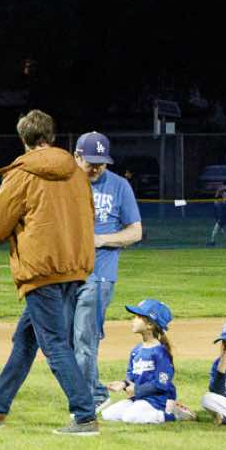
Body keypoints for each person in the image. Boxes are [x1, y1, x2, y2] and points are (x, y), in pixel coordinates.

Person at [0, 110, 99, 434]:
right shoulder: (76, 172)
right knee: (26, 338)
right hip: (73, 267)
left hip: (41, 270)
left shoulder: (22, 173)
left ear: (23, 139)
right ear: (51, 136)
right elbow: (90, 216)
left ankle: (85, 415)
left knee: (54, 343)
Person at [72, 132, 144, 415]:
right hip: (67, 274)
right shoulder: (65, 184)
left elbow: (135, 232)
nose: (96, 168)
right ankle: (92, 391)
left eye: (101, 163)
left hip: (99, 275)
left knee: (84, 339)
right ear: (77, 157)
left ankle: (90, 396)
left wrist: (101, 240)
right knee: (70, 339)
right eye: (91, 162)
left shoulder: (119, 186)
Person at [98, 298, 190, 423]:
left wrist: (137, 390)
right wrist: (123, 384)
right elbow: (132, 378)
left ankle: (172, 414)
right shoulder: (136, 351)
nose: (133, 320)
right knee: (108, 414)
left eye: (138, 317)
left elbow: (161, 384)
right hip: (139, 398)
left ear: (150, 325)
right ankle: (142, 411)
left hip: (157, 400)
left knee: (129, 417)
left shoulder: (160, 353)